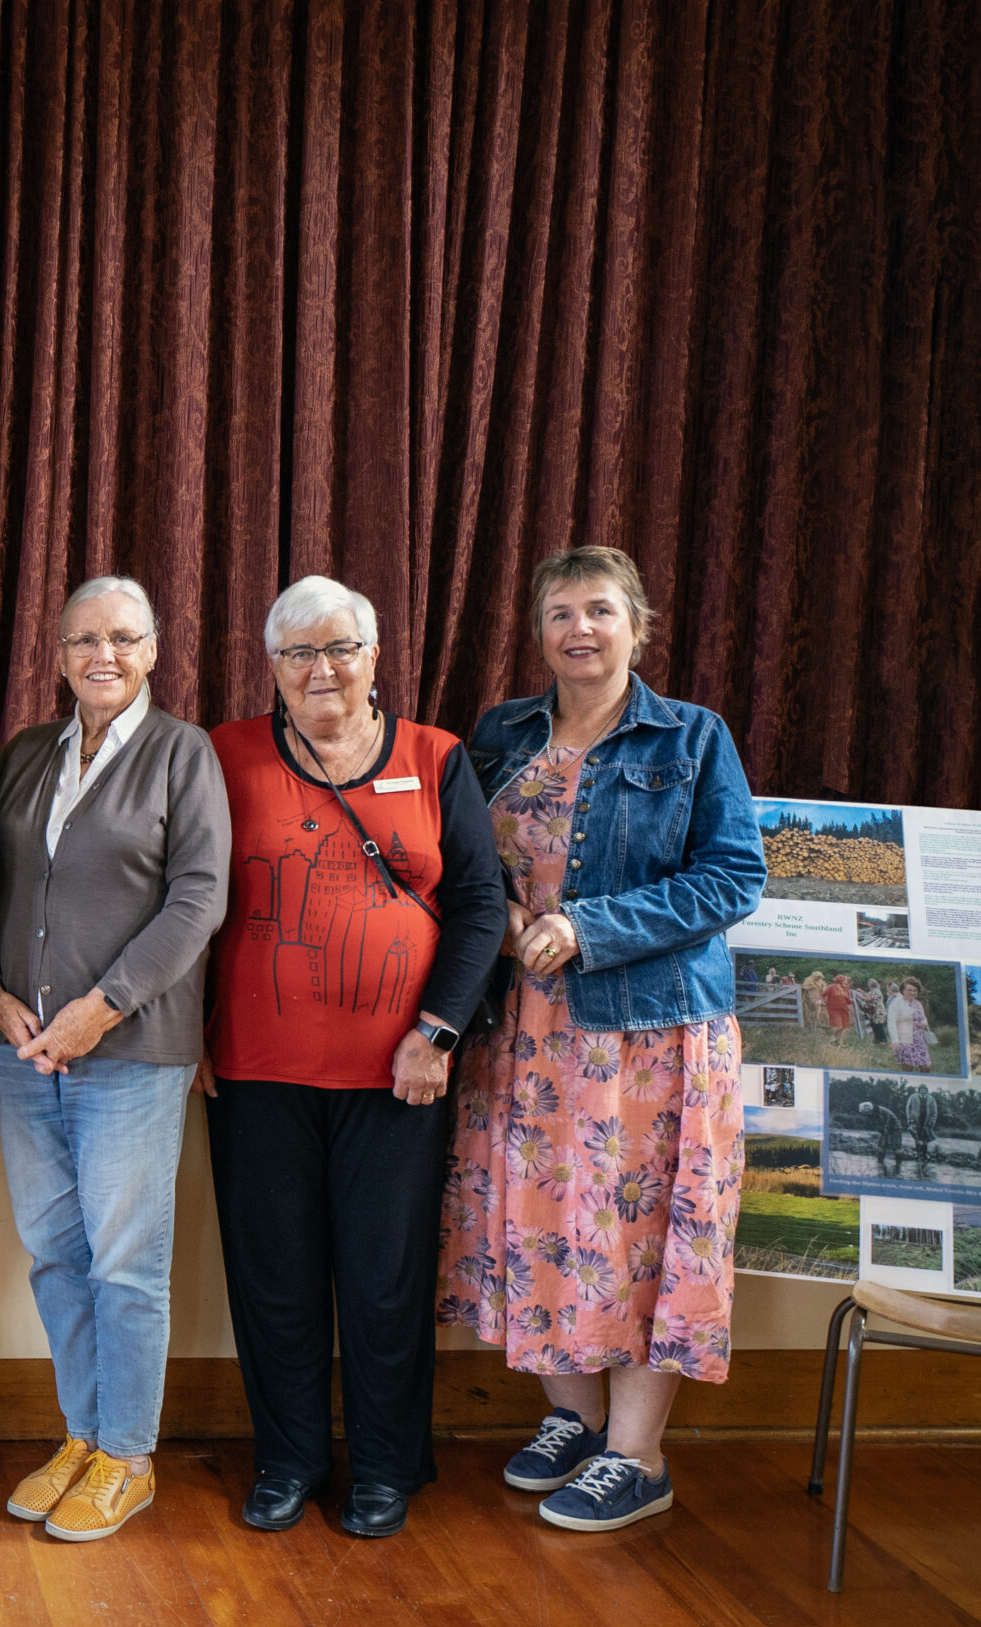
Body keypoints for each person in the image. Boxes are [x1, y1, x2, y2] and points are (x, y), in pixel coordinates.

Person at [438, 545, 765, 1533]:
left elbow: (731, 878)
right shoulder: (499, 733)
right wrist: (487, 917)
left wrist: (590, 928)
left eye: (598, 612)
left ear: (637, 625)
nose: (578, 631)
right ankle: (574, 1425)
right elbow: (456, 856)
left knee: (635, 1237)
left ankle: (638, 1456)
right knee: (539, 1224)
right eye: (559, 615)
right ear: (537, 634)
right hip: (525, 1035)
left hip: (649, 1036)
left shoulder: (691, 738)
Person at [202, 576, 507, 1539]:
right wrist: (185, 1037)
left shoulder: (436, 756)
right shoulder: (225, 753)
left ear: (376, 657)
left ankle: (384, 1465)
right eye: (299, 653)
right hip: (254, 1070)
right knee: (274, 1276)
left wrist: (439, 1031)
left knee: (384, 1278)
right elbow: (181, 899)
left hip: (398, 1075)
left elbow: (480, 909)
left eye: (340, 648)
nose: (322, 668)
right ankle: (288, 1459)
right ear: (272, 668)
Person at [0, 575, 227, 1541]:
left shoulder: (181, 754)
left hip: (129, 1051)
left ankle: (128, 1456)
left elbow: (198, 901)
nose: (102, 656)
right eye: (83, 640)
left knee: (124, 1265)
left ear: (154, 649)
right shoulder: (29, 753)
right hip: (24, 1053)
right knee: (55, 1255)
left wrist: (100, 1009)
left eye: (122, 638)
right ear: (60, 653)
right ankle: (81, 1436)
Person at [888, 977, 934, 1071]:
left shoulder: (918, 1004)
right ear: (902, 990)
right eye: (909, 990)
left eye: (915, 990)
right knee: (908, 1069)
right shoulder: (896, 1003)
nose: (912, 993)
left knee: (926, 1067)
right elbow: (891, 1022)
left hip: (920, 1041)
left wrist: (923, 1023)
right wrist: (895, 1040)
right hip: (905, 1041)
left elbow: (924, 1018)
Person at [824, 973, 853, 1044]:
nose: (846, 983)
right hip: (834, 1009)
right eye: (844, 981)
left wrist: (851, 1001)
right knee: (839, 1026)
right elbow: (823, 994)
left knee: (845, 1027)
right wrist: (819, 1001)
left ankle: (839, 1042)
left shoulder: (846, 989)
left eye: (846, 982)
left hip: (844, 1009)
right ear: (839, 981)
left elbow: (847, 1000)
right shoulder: (831, 987)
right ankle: (833, 1036)